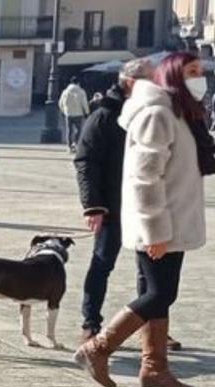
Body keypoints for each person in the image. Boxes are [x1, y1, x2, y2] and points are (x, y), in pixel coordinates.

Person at [73, 52, 206, 387]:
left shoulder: (179, 114)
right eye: (191, 71)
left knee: (159, 294)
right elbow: (144, 178)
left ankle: (155, 368)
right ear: (174, 75)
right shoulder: (158, 113)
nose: (199, 77)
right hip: (160, 225)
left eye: (200, 71)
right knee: (159, 293)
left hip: (172, 222)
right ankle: (98, 347)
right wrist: (154, 231)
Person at [74, 59, 154, 343]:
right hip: (112, 205)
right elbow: (86, 161)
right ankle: (90, 323)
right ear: (131, 83)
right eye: (151, 81)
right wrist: (93, 205)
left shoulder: (148, 114)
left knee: (150, 270)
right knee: (102, 263)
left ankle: (153, 326)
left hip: (145, 204)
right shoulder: (104, 117)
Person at [59, 76, 90, 152]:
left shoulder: (65, 91)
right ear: (78, 83)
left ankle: (69, 146)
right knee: (79, 130)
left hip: (68, 113)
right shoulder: (81, 91)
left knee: (69, 130)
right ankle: (75, 143)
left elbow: (60, 103)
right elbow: (84, 103)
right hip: (78, 114)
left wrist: (63, 111)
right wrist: (87, 112)